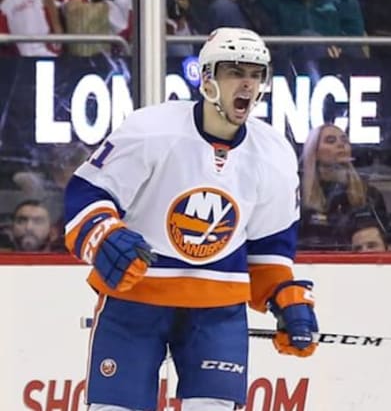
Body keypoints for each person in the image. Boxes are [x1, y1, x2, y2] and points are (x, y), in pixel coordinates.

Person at [63, 27, 318, 411]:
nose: (247, 84)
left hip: (216, 309)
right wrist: (104, 235)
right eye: (235, 71)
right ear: (208, 78)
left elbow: (270, 248)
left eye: (255, 73)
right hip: (136, 297)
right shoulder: (151, 130)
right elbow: (88, 193)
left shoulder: (275, 154)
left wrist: (285, 299)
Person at [298, 123, 387, 250]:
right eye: (330, 141)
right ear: (314, 152)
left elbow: (384, 241)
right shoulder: (299, 196)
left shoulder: (370, 195)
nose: (340, 145)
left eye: (344, 140)